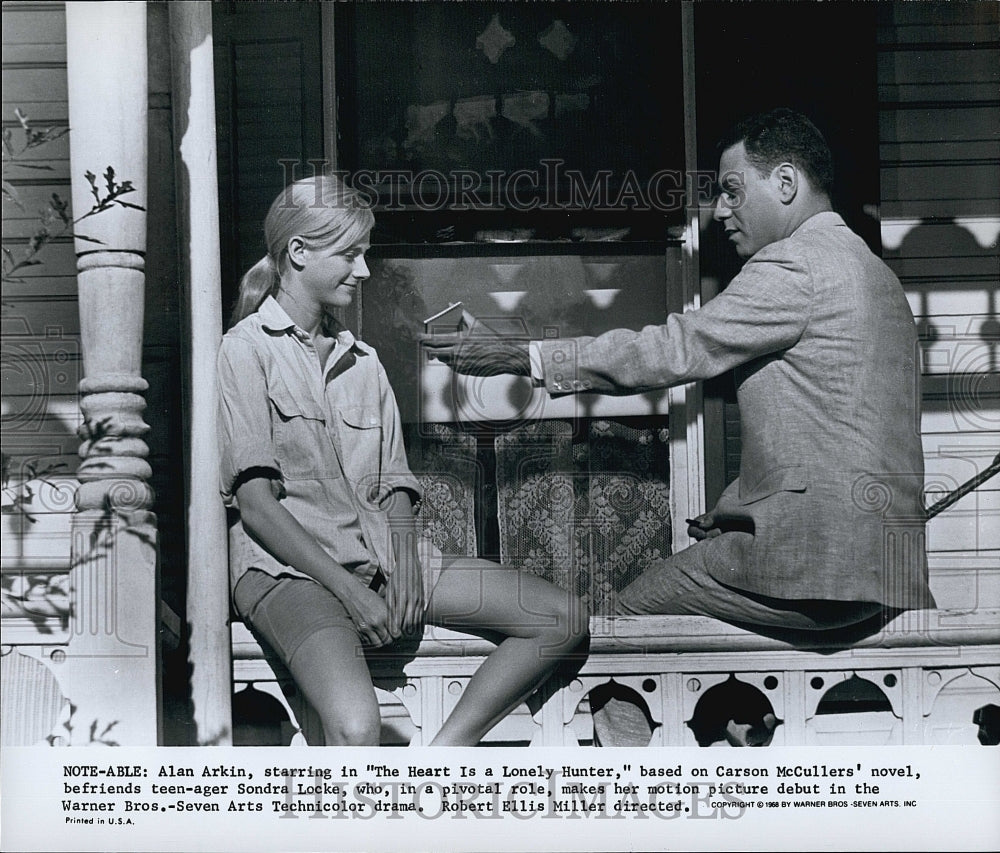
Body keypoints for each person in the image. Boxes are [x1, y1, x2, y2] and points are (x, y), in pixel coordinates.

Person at [423, 108, 934, 743]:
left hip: (816, 568)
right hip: (884, 568)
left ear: (785, 182)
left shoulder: (795, 266)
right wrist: (738, 511)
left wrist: (522, 356)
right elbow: (840, 423)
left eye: (730, 189)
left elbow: (673, 350)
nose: (720, 211)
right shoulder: (875, 274)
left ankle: (631, 791)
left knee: (620, 621)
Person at [217, 174, 588, 747]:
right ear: (298, 252)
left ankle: (441, 760)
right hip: (289, 573)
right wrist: (350, 591)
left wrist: (408, 568)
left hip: (382, 555)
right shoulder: (244, 350)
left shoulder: (362, 361)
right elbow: (257, 508)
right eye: (350, 255)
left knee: (558, 618)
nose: (363, 271)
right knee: (357, 728)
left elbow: (395, 487)